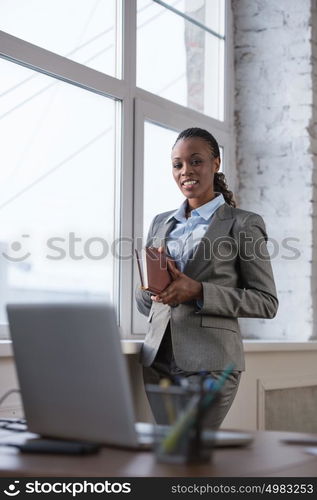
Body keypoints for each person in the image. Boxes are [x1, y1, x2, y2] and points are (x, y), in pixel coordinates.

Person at [135, 127, 278, 430]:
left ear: (216, 163)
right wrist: (154, 289)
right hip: (158, 362)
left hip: (211, 364)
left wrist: (198, 291)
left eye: (196, 161)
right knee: (171, 458)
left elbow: (266, 302)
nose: (186, 171)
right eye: (178, 164)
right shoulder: (161, 222)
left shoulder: (243, 224)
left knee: (190, 456)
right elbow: (145, 305)